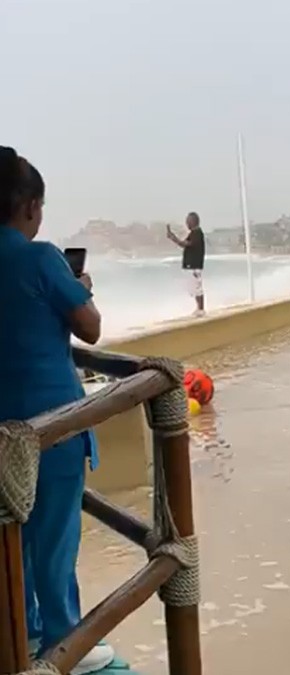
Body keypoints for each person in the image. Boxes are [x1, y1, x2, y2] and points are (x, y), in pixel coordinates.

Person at [0, 147, 115, 673]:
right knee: (53, 538)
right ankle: (64, 644)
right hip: (51, 426)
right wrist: (80, 289)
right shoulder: (41, 258)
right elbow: (90, 328)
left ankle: (20, 634)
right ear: (29, 206)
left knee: (13, 538)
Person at [166, 212, 206, 317]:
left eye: (188, 221)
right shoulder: (193, 233)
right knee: (194, 288)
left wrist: (173, 237)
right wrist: (173, 237)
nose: (186, 223)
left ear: (193, 222)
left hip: (194, 265)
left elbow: (186, 244)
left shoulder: (197, 233)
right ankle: (199, 308)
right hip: (192, 266)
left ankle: (201, 309)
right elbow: (183, 244)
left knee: (197, 287)